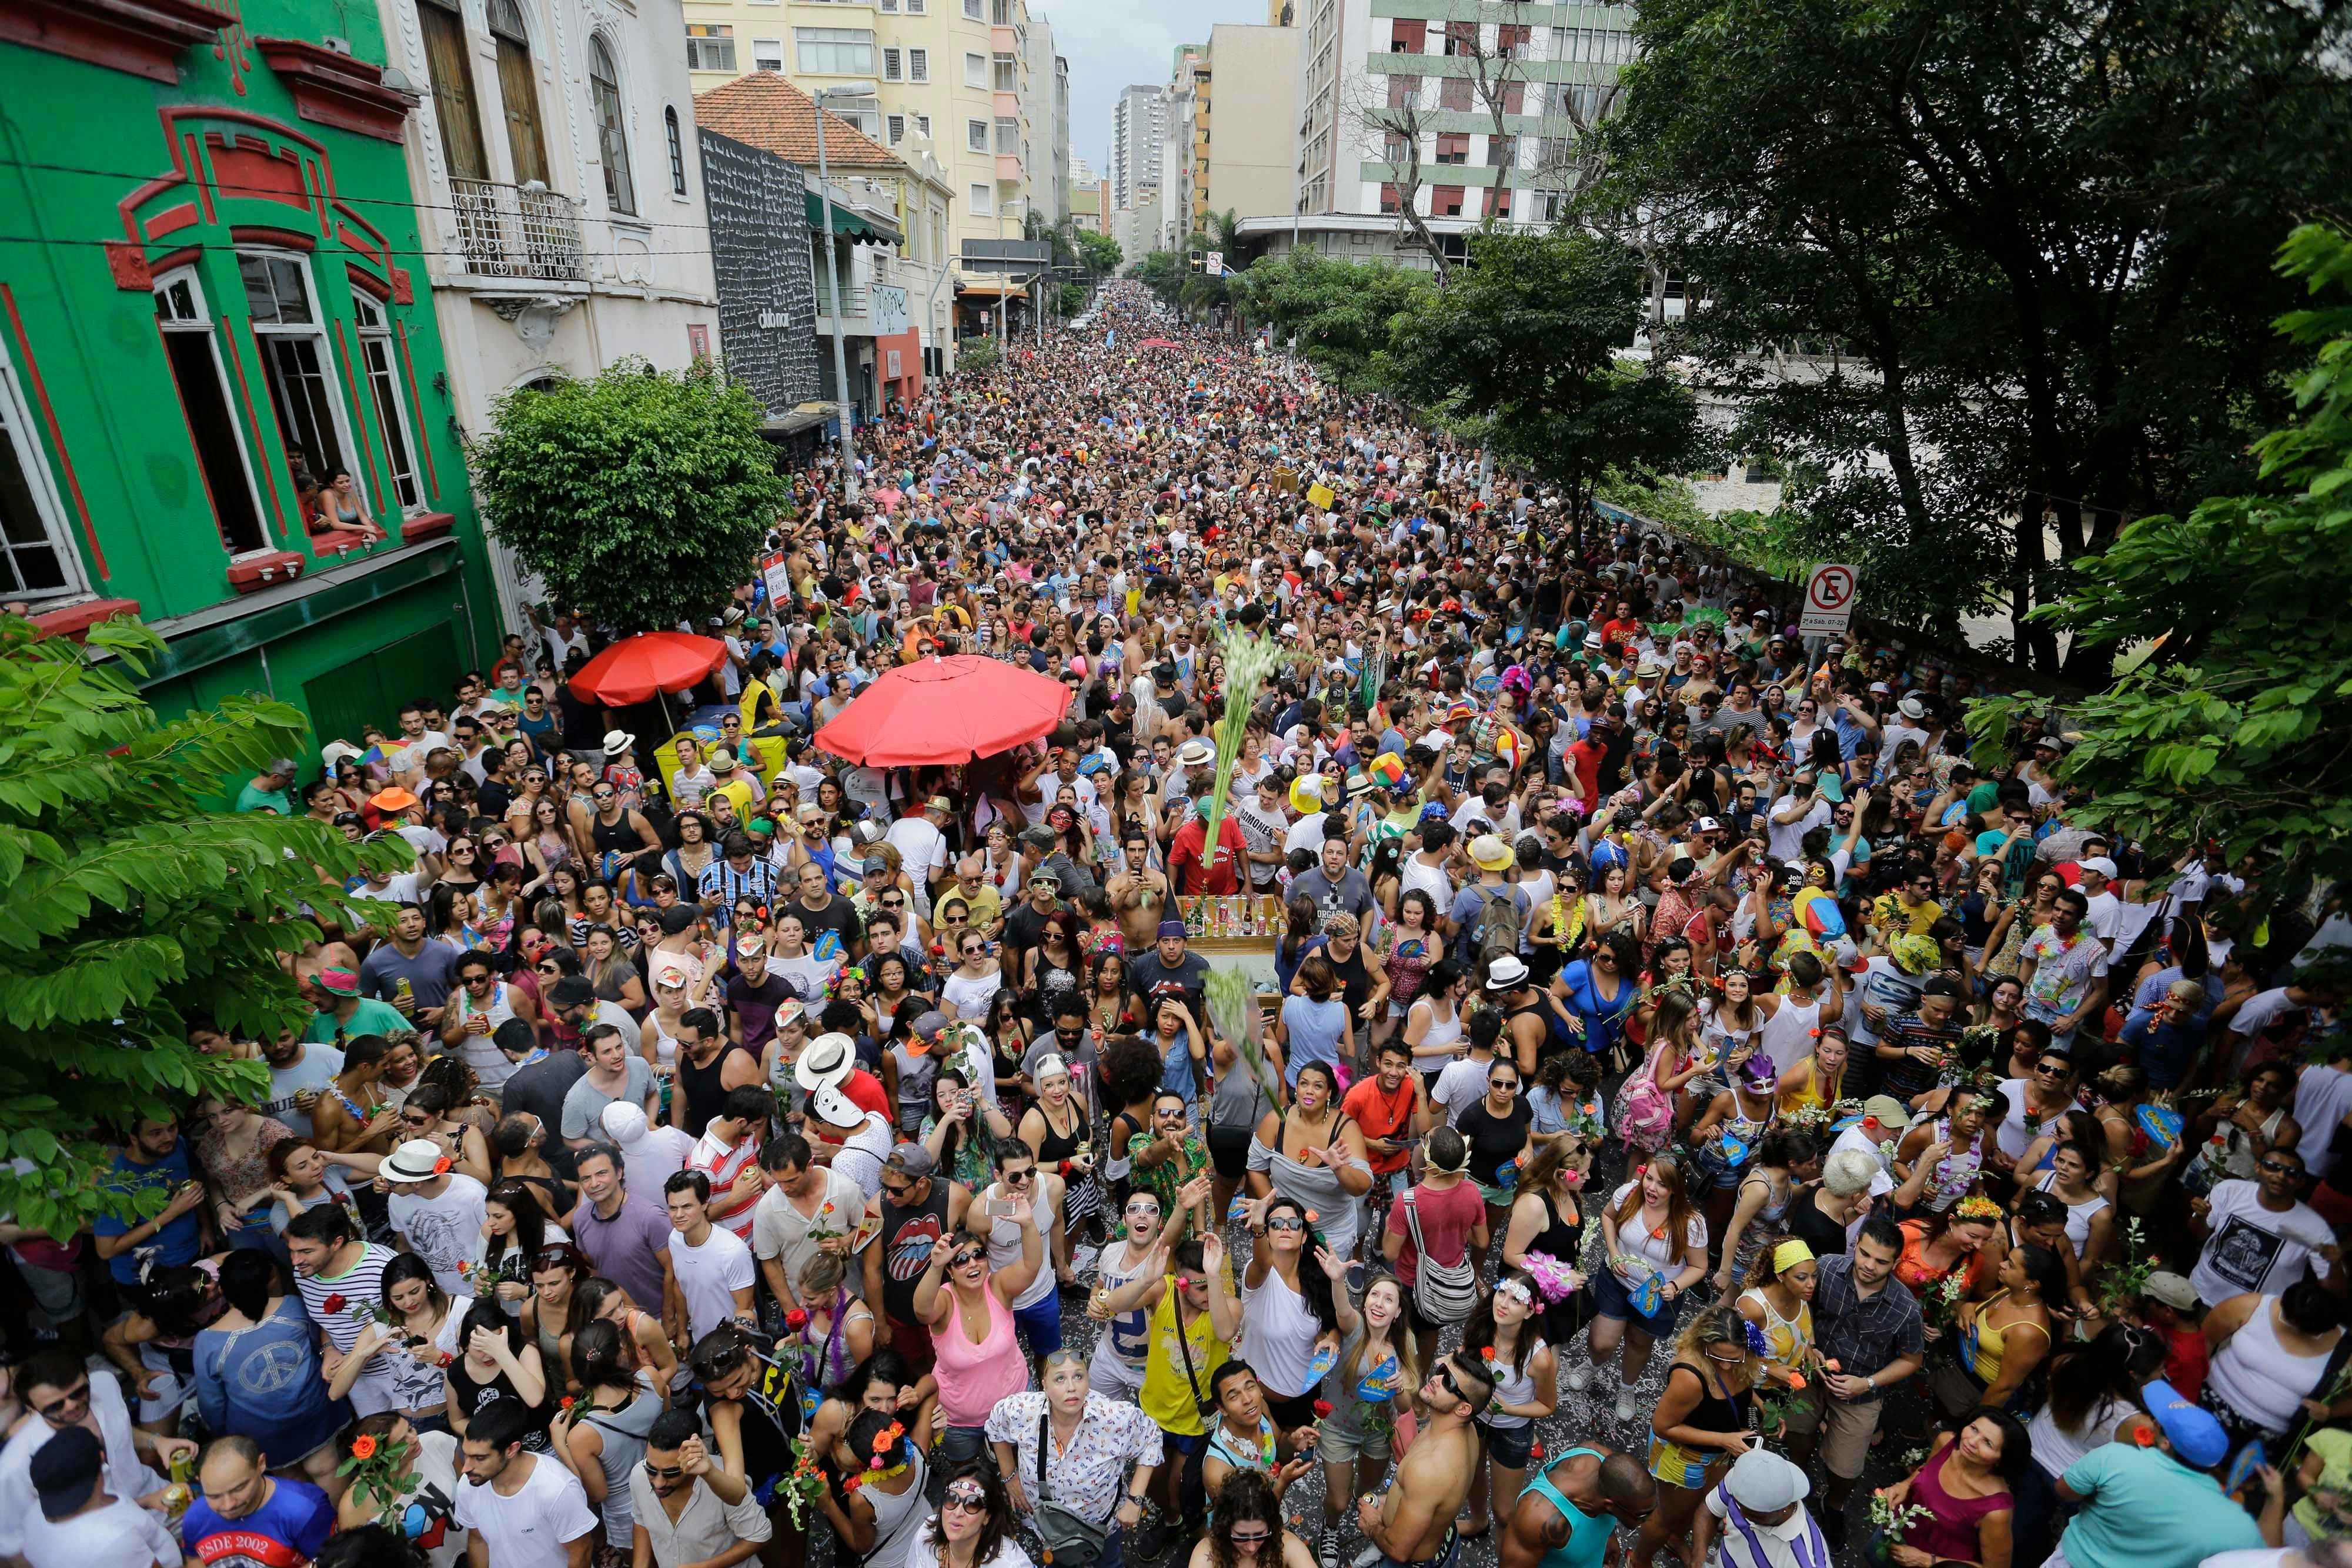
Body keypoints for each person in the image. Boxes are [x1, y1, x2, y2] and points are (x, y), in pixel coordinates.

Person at [1780, 1216, 1925, 1548]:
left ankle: (1833, 1505)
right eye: (1864, 1254)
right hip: (1811, 1374)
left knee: (1846, 1468)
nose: (1869, 1266)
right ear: (1856, 1244)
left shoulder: (1906, 1309)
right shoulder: (1827, 1268)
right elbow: (1802, 1306)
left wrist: (1868, 1384)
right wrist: (1811, 1346)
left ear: (1896, 1262)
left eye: (1881, 1261)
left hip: (1861, 1393)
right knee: (1798, 1430)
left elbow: (1912, 1359)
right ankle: (1796, 1476)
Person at [2053, 1382, 2279, 1568]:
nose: (2152, 1421)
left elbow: (2064, 1491)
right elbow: (2267, 1561)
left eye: (2159, 1424)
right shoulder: (2238, 1526)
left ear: (2165, 1442)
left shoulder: (2115, 1458)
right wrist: (2276, 1500)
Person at [986, 1348, 1163, 1568]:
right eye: (1060, 1379)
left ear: (1088, 1382)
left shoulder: (1112, 1418)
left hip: (1100, 1529)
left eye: (1078, 1376)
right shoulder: (1023, 1411)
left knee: (1109, 1563)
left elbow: (1151, 1438)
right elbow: (996, 1424)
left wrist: (1135, 1500)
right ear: (1044, 1385)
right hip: (1049, 1531)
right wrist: (1010, 1476)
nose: (1071, 1387)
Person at [194, 1248, 350, 1493]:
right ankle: (347, 1525)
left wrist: (223, 1432)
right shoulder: (293, 1306)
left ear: (223, 1290)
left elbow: (211, 1402)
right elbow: (315, 1344)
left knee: (290, 1482)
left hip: (260, 1430)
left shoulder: (207, 1342)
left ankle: (316, 1527)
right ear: (268, 1281)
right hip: (311, 1409)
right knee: (328, 1468)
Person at [1633, 1301, 1762, 1568]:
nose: (1727, 1367)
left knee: (1704, 1504)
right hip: (1684, 1457)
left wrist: (1763, 1406)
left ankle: (1676, 1540)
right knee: (1668, 1517)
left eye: (1734, 1358)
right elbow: (1663, 1427)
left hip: (1719, 1453)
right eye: (1719, 1358)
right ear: (1703, 1345)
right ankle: (1639, 1561)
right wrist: (1724, 1440)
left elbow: (1743, 1390)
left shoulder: (1744, 1358)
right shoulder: (1690, 1376)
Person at [1588, 1155, 1711, 1423]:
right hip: (1616, 1281)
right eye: (1649, 1179)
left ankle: (1627, 1388)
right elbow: (1608, 1216)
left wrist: (1675, 1286)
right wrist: (1613, 1251)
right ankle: (1594, 1364)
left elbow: (1699, 1267)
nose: (1651, 1188)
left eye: (1662, 1184)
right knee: (1601, 1342)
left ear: (1676, 1189)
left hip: (1654, 1296)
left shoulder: (1691, 1224)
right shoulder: (1629, 1194)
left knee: (1639, 1342)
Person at [914, 1208, 1043, 1461]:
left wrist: (1028, 1223)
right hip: (960, 1421)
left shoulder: (998, 1286)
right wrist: (934, 1267)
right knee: (964, 1462)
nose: (972, 1263)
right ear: (950, 1270)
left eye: (978, 1254)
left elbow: (1032, 1266)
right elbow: (921, 1311)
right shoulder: (944, 1301)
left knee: (1019, 1456)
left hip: (1013, 1404)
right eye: (961, 1260)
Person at [1355, 1350, 1493, 1568]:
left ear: (1464, 1408)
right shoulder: (1465, 1431)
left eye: (1449, 1382)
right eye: (1442, 1372)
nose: (1437, 1380)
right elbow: (1433, 1498)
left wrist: (1372, 1525)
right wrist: (1392, 1501)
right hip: (1443, 1541)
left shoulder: (1430, 1468)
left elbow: (1399, 1550)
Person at [1384, 1128, 1490, 1372]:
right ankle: (1420, 1377)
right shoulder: (1472, 1192)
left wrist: (1391, 1223)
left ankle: (1399, 1379)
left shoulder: (1408, 1201)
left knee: (1401, 1334)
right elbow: (1482, 1241)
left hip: (1411, 1283)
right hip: (1446, 1284)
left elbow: (1390, 1254)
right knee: (1430, 1332)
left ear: (1428, 1158)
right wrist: (1458, 1227)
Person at [1462, 1273, 1560, 1538]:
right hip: (1475, 1418)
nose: (1503, 1303)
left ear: (1530, 1312)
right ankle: (1478, 1522)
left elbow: (1548, 1405)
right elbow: (1465, 1358)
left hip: (1512, 1431)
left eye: (1515, 1299)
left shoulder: (1539, 1357)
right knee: (1472, 1476)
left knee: (1505, 1512)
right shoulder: (1483, 1327)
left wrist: (1507, 1409)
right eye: (1502, 1293)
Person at [1871, 1406, 2028, 1568]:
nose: (1972, 1442)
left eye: (1987, 1443)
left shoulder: (1996, 1510)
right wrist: (1905, 1484)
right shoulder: (1946, 1442)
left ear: (2001, 1460)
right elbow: (1926, 1469)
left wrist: (1927, 1561)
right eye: (1974, 1429)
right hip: (1891, 1536)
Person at [453, 1399, 602, 1568]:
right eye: (466, 1455)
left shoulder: (556, 1489)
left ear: (512, 1450)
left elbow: (581, 1553)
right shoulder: (470, 1483)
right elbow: (478, 1540)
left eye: (480, 1458)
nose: (466, 1468)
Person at [2201, 1280, 2347, 1451]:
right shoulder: (2253, 1306)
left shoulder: (2344, 1349)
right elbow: (2205, 1340)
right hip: (2208, 1399)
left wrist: (2330, 1411)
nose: (2292, 1328)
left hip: (2264, 1436)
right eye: (2288, 1319)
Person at [2190, 1147, 2340, 1307]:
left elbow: (2335, 1292)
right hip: (2198, 1292)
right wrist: (2200, 1216)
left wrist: (2336, 1265)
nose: (2281, 1175)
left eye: (2292, 1173)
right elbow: (2197, 1235)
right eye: (2273, 1166)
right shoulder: (2229, 1190)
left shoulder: (2316, 1228)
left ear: (2301, 1182)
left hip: (2251, 1318)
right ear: (2258, 1168)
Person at [16, 1426, 181, 1568]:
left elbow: (105, 1514)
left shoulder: (32, 1517)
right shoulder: (114, 1540)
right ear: (102, 1460)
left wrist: (147, 1501)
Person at [628, 1407, 774, 1568]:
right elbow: (641, 1521)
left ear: (693, 1456)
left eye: (671, 1472)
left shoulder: (726, 1483)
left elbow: (759, 1536)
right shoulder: (638, 1476)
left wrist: (705, 1567)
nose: (658, 1483)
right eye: (651, 1469)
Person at [335, 1412, 469, 1568]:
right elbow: (359, 1560)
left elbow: (469, 1494)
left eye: (410, 1429)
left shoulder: (436, 1443)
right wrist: (385, 1540)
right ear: (381, 1456)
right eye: (402, 1442)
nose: (414, 1439)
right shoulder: (353, 1506)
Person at [1498, 1442, 1656, 1568]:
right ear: (1609, 1505)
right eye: (1643, 1515)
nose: (1652, 1518)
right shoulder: (1538, 1518)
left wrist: (1609, 1535)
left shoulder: (1603, 1459)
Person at [1686, 1449, 1826, 1568]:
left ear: (1786, 1507)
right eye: (1739, 1505)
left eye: (1755, 1515)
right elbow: (1709, 1510)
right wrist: (1699, 1556)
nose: (1741, 1514)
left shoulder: (1804, 1561)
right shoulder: (1743, 1480)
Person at [665, 1168, 757, 1343]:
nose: (678, 1215)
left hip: (732, 1345)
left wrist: (728, 1350)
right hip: (699, 1341)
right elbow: (680, 1285)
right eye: (673, 1208)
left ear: (705, 1204)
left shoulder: (733, 1251)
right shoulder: (675, 1238)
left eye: (687, 1207)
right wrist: (683, 1331)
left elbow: (745, 1308)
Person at [1190, 1468, 1319, 1568]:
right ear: (1225, 1527)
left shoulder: (1286, 1545)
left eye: (1259, 1535)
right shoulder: (1207, 1552)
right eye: (1241, 1536)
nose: (1251, 1547)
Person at [922, 1465, 1039, 1568]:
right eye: (952, 1499)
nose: (958, 1513)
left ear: (987, 1517)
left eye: (972, 1505)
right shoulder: (925, 1534)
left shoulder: (1009, 1564)